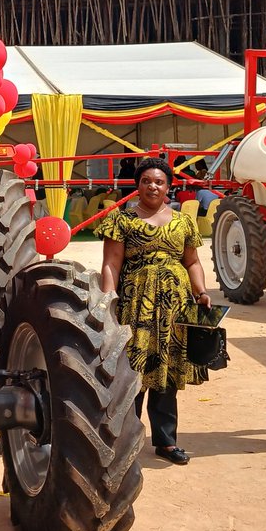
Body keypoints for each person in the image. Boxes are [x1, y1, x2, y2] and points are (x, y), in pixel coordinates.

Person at [94, 156, 211, 465]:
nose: (152, 186)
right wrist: (109, 302)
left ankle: (166, 442)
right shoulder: (122, 220)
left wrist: (201, 292)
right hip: (135, 305)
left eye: (159, 181)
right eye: (146, 181)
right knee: (131, 372)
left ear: (168, 186)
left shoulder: (183, 222)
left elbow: (192, 262)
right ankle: (124, 439)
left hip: (175, 308)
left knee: (166, 371)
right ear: (138, 186)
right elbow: (111, 264)